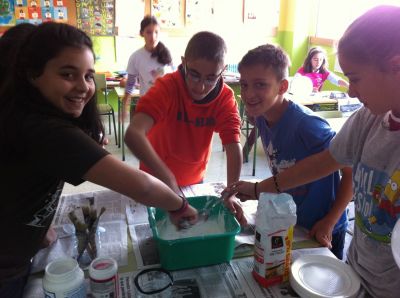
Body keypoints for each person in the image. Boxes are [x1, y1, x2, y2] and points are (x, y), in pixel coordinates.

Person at [0, 22, 197, 298]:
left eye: (88, 75)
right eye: (67, 74)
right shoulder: (43, 130)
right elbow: (142, 186)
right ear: (32, 74)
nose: (83, 86)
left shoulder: (26, 117)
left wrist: (37, 231)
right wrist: (179, 205)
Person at [227, 5, 400, 297]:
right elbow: (325, 162)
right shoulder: (368, 118)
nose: (351, 92)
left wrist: (331, 219)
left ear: (396, 67)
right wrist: (258, 190)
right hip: (357, 272)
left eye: (355, 78)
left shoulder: (308, 124)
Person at [230, 44, 352, 259]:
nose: (248, 93)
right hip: (293, 221)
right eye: (245, 84)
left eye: (260, 85)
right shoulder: (261, 116)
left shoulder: (308, 126)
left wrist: (330, 221)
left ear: (283, 86)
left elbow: (351, 173)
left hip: (322, 226)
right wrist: (254, 193)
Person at [124, 31, 244, 220]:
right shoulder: (167, 87)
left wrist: (232, 192)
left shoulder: (225, 98)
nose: (201, 87)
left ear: (224, 70)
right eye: (194, 75)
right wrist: (169, 180)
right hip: (155, 180)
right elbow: (133, 134)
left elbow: (233, 145)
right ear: (184, 61)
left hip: (194, 182)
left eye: (211, 78)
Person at [122, 15, 173, 118]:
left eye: (156, 32)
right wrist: (124, 106)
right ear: (142, 33)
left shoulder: (166, 54)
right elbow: (130, 83)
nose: (153, 36)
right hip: (148, 105)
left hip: (168, 105)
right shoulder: (136, 57)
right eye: (149, 32)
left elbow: (176, 79)